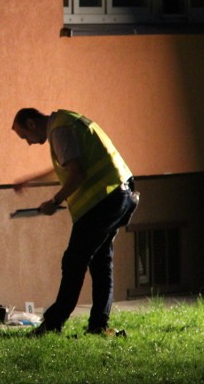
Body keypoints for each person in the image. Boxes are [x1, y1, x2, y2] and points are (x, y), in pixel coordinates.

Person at [11, 108, 139, 335]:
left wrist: (54, 200)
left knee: (74, 261)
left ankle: (53, 324)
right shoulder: (69, 122)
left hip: (102, 201)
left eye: (24, 137)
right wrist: (32, 180)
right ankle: (98, 325)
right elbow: (67, 165)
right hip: (120, 194)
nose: (28, 143)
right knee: (100, 261)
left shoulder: (60, 130)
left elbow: (77, 173)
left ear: (31, 124)